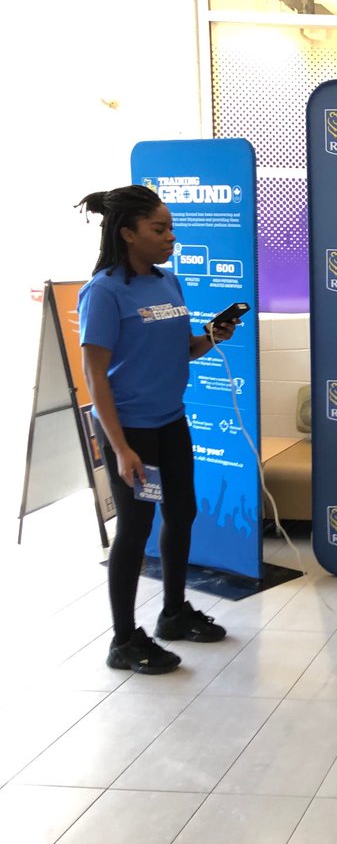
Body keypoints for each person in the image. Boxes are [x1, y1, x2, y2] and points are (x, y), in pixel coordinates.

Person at [77, 185, 237, 674]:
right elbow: (94, 375)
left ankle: (172, 614)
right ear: (128, 233)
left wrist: (211, 337)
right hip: (132, 431)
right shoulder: (103, 291)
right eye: (159, 229)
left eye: (171, 227)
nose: (171, 236)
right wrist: (120, 447)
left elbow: (181, 350)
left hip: (171, 420)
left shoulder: (168, 281)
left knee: (182, 512)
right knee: (136, 528)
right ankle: (123, 640)